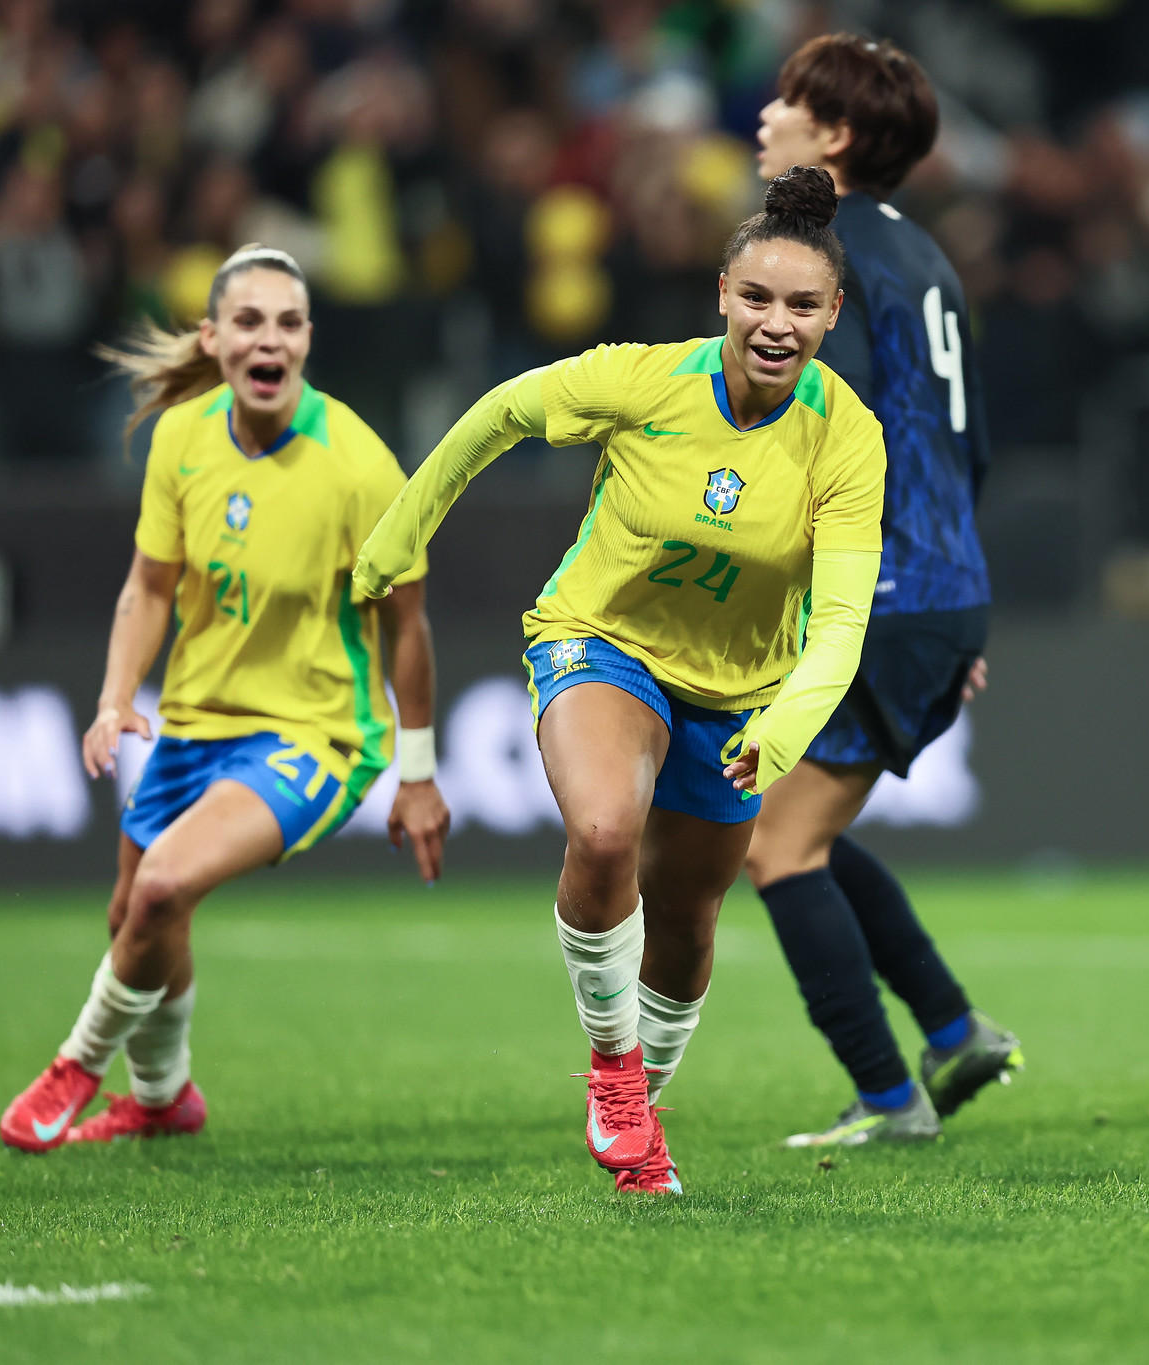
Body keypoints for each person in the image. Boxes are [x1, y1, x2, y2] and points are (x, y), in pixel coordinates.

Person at [351, 167, 885, 1196]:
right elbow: (499, 414)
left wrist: (785, 723)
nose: (776, 324)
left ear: (832, 315)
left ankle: (642, 1103)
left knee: (685, 919)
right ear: (722, 295)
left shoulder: (848, 437)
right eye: (756, 297)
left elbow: (842, 620)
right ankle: (614, 1075)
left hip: (737, 694)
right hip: (601, 641)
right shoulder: (643, 381)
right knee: (602, 833)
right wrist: (402, 531)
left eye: (802, 305)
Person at [0, 245, 449, 1154]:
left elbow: (408, 623)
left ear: (308, 338)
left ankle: (78, 1063)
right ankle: (162, 1098)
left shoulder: (360, 464)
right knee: (134, 917)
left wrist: (417, 771)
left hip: (317, 732)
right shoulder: (182, 437)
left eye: (287, 322)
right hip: (196, 720)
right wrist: (114, 697)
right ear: (212, 338)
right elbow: (150, 585)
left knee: (163, 885)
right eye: (248, 321)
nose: (268, 339)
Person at [750, 35, 1022, 1148]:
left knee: (775, 848)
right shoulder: (927, 255)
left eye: (788, 102)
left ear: (835, 134)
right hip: (938, 584)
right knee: (798, 827)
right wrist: (953, 608)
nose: (765, 116)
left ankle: (886, 1096)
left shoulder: (822, 252)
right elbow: (971, 445)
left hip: (877, 588)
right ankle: (952, 1031)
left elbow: (830, 421)